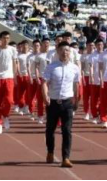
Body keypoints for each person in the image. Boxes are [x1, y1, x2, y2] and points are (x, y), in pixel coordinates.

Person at [42, 41, 81, 169]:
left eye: (67, 50)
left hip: (67, 102)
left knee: (67, 130)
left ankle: (66, 158)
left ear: (70, 53)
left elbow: (76, 85)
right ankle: (50, 152)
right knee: (50, 130)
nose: (65, 53)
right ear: (58, 51)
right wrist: (45, 96)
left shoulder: (75, 68)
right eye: (63, 50)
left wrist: (77, 100)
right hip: (53, 102)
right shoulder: (51, 67)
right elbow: (44, 83)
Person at [0, 31, 19, 135]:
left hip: (9, 78)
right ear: (1, 39)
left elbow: (15, 63)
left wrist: (15, 76)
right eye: (4, 38)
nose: (6, 40)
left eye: (7, 38)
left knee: (9, 100)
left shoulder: (13, 50)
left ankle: (5, 115)